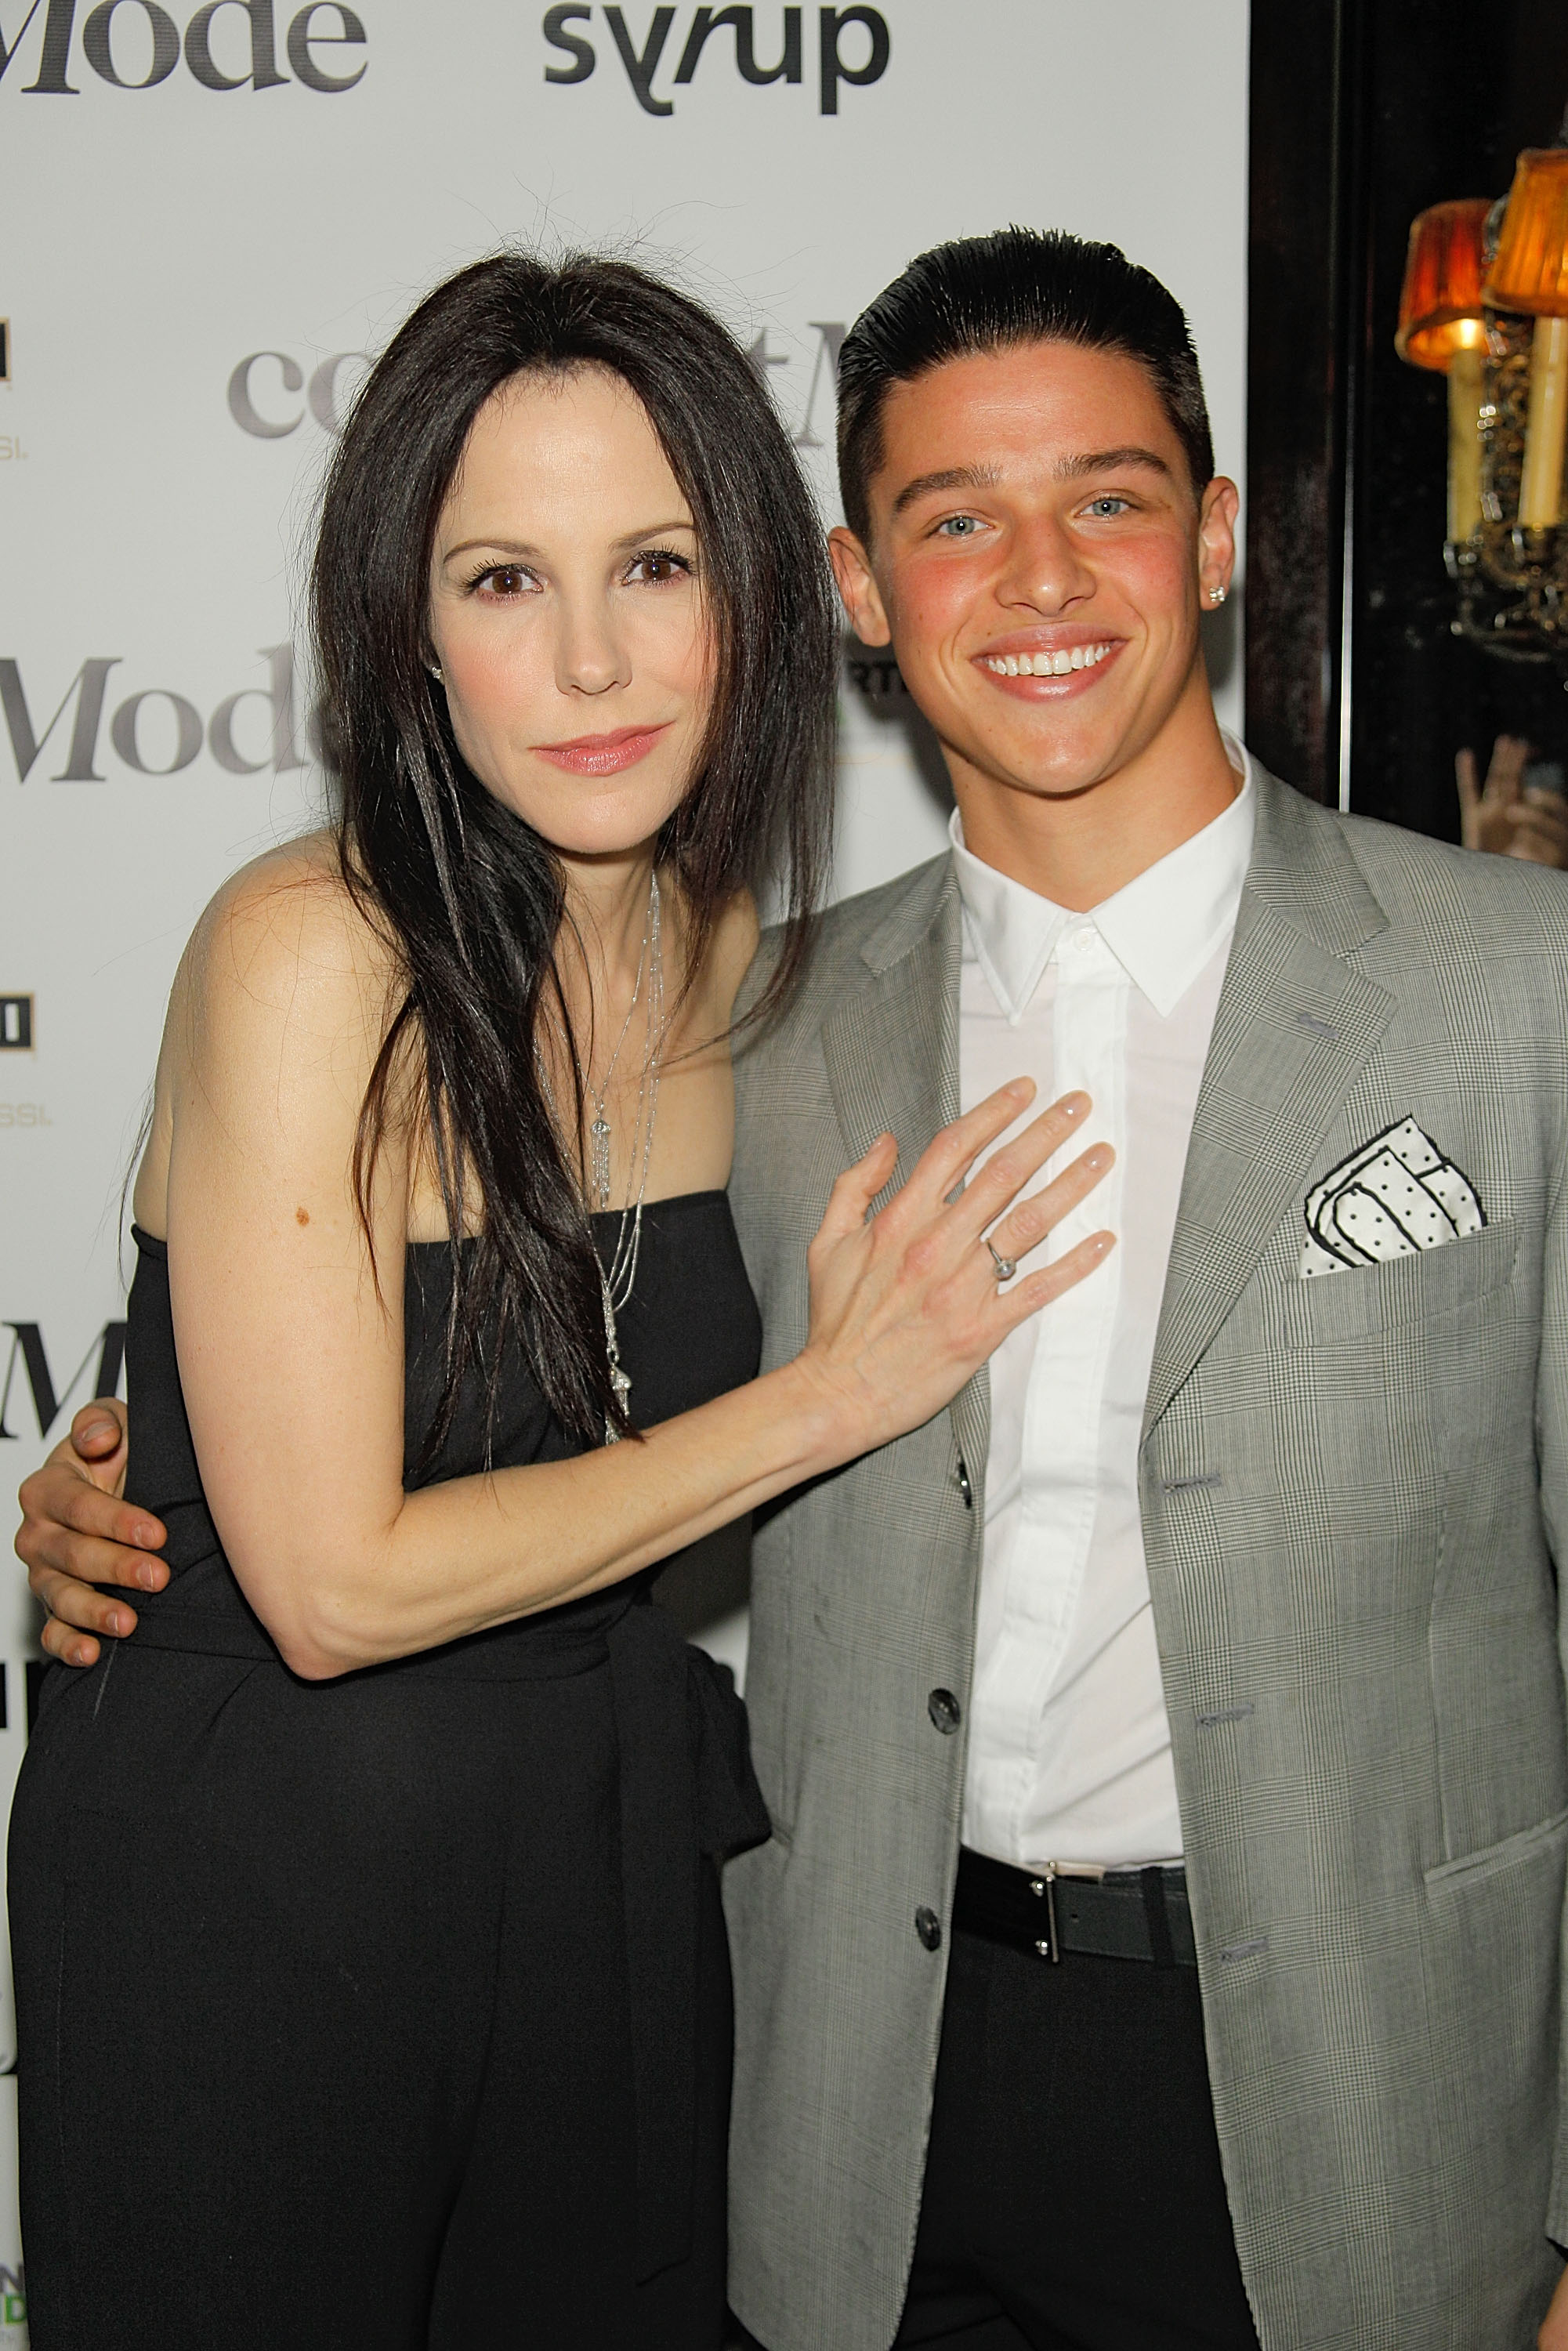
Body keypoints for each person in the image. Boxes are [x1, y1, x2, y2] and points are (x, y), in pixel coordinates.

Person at [27, 225, 1568, 2351]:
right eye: (953, 521)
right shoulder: (733, 1002)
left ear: (1216, 541)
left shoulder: (763, 988)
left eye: (1104, 501)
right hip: (748, 2050)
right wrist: (147, 1487)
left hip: (1229, 2078)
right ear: (857, 591)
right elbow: (349, 1525)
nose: (1036, 582)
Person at [5, 248, 1114, 2351]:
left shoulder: (740, 970)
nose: (597, 657)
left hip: (600, 1862)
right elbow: (329, 1588)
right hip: (261, 1892)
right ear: (407, 628)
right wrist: (829, 1393)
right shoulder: (312, 951)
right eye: (504, 580)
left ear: (757, 596)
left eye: (658, 564)